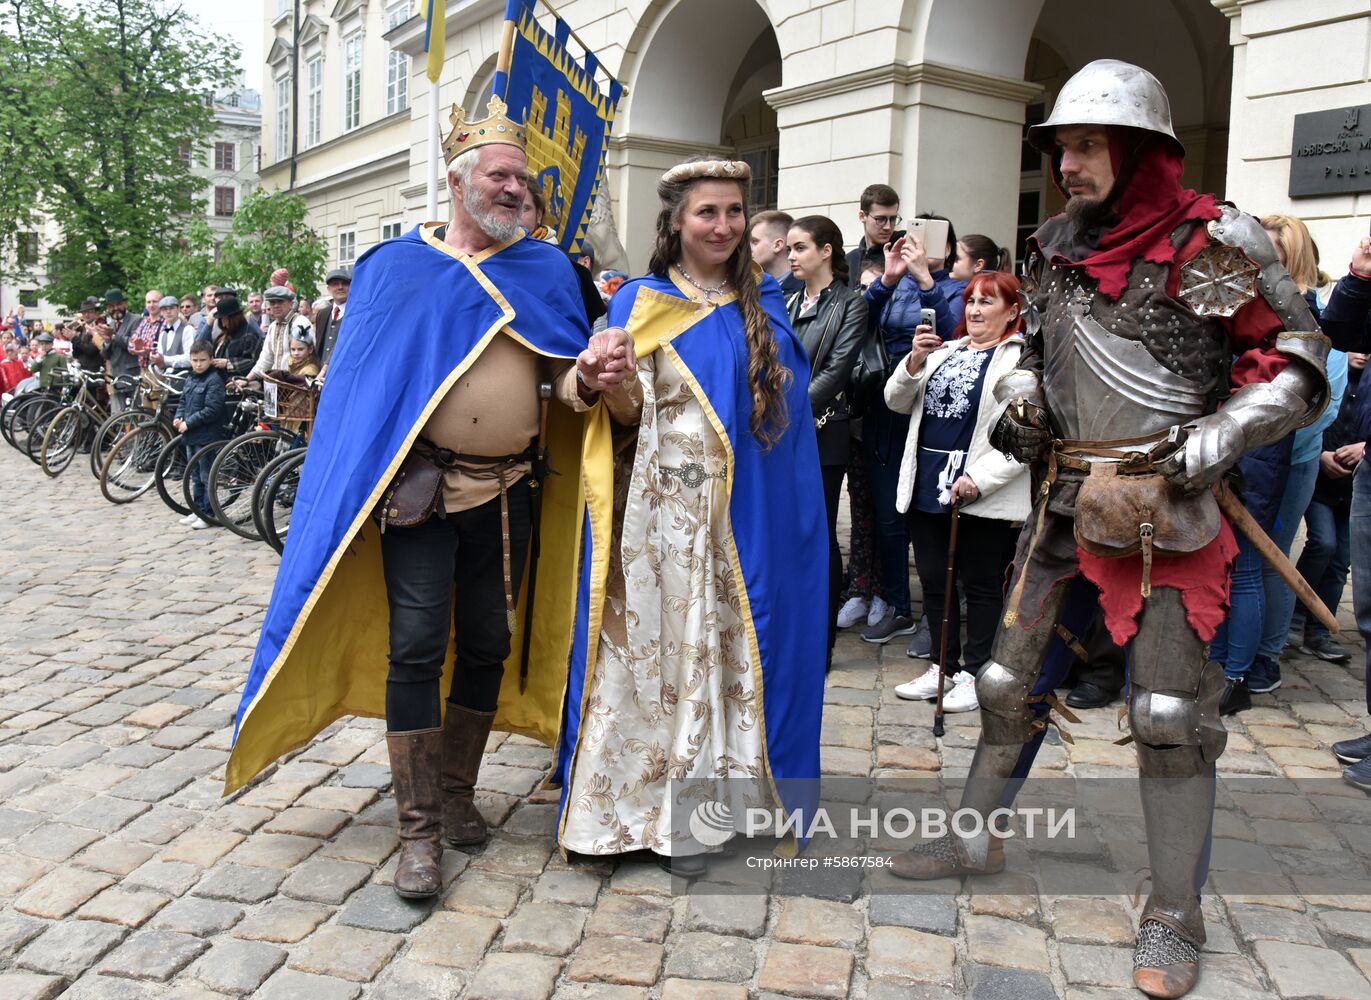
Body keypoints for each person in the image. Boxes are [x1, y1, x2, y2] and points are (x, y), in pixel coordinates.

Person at [889, 61, 1328, 1000]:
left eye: (1086, 145)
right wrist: (1020, 399)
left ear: (1137, 152)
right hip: (1062, 499)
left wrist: (1226, 429)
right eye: (1059, 147)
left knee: (1168, 717)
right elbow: (1034, 357)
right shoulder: (1053, 249)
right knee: (1007, 683)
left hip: (1168, 507)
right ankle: (973, 839)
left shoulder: (1204, 245)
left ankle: (1175, 915)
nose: (1067, 163)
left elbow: (1294, 358)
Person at [226, 96, 609, 903]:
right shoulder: (393, 268)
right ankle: (418, 830)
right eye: (500, 176)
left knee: (487, 643)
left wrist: (590, 379)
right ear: (458, 180)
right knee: (416, 642)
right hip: (421, 493)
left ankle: (460, 794)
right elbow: (360, 394)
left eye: (524, 182)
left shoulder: (546, 269)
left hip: (510, 493)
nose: (515, 191)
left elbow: (558, 376)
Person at [555, 158, 827, 879]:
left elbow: (785, 424)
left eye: (735, 212)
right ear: (675, 220)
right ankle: (613, 814)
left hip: (739, 518)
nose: (724, 226)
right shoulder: (639, 301)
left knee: (724, 653)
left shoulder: (759, 302)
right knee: (648, 655)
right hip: (657, 516)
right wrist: (605, 381)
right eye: (707, 212)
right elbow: (626, 416)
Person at [886, 271, 1031, 712]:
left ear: (1012, 312)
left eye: (988, 302)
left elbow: (1027, 435)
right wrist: (913, 362)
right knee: (933, 579)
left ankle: (976, 671)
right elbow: (895, 399)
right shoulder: (942, 350)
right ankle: (941, 666)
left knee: (982, 583)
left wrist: (981, 479)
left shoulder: (1021, 361)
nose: (974, 310)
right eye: (971, 301)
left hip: (977, 487)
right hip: (929, 479)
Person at [1243, 214, 1343, 692]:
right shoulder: (1254, 301)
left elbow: (1323, 399)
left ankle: (1266, 657)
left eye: (1270, 249)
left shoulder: (1311, 310)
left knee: (1271, 557)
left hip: (1294, 455)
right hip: (1251, 453)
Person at [859, 226, 957, 647]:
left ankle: (940, 621)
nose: (916, 248)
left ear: (948, 249)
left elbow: (955, 332)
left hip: (936, 407)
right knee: (888, 511)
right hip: (888, 399)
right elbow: (858, 321)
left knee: (928, 511)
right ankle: (900, 608)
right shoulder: (893, 288)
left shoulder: (955, 289)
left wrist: (926, 281)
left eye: (929, 242)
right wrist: (890, 277)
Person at [785, 214, 868, 662]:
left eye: (799, 248)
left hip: (820, 429)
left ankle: (821, 639)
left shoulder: (850, 302)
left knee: (819, 534)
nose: (791, 256)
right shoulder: (785, 297)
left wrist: (789, 412)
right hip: (781, 429)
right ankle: (790, 627)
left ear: (826, 251)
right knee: (784, 530)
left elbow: (837, 369)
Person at [1293, 349, 1364, 665]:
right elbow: (1306, 420)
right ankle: (1295, 618)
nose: (1362, 353)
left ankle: (1318, 630)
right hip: (1321, 481)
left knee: (1340, 560)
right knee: (1323, 543)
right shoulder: (1327, 372)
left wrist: (1366, 448)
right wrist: (1320, 454)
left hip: (1354, 488)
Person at [836, 248, 890, 630]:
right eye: (862, 288)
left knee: (886, 515)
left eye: (874, 288)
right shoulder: (849, 326)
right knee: (860, 513)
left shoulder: (890, 331)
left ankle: (883, 593)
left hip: (885, 428)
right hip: (852, 429)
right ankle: (858, 589)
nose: (865, 297)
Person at [173, 341, 227, 530]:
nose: (198, 364)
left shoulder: (214, 380)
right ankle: (197, 509)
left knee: (206, 475)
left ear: (211, 360)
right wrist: (179, 417)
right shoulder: (191, 378)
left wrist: (189, 422)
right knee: (194, 475)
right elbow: (183, 400)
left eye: (202, 360)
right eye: (195, 360)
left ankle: (209, 513)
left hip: (206, 436)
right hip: (191, 435)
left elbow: (212, 410)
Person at [238, 285, 312, 388]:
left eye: (280, 302)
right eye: (272, 303)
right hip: (277, 386)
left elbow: (308, 358)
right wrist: (247, 379)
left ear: (290, 304)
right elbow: (266, 358)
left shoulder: (300, 323)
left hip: (298, 385)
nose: (276, 306)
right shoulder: (273, 326)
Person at [844, 184, 901, 290]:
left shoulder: (904, 253)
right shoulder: (849, 260)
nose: (888, 226)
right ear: (862, 216)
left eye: (892, 219)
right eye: (880, 219)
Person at [97, 288, 141, 411]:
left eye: (118, 304)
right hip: (116, 378)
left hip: (132, 377)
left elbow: (134, 344)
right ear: (107, 308)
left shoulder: (136, 320)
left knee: (135, 418)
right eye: (111, 306)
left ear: (125, 304)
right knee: (118, 419)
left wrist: (114, 336)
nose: (115, 308)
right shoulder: (110, 324)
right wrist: (106, 341)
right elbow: (105, 355)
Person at [210, 296, 261, 383]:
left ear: (233, 318)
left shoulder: (249, 334)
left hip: (241, 385)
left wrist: (228, 363)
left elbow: (256, 363)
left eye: (224, 318)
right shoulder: (223, 336)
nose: (222, 322)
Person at [751, 209, 802, 296]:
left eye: (755, 242)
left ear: (777, 245)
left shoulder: (804, 291)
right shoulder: (750, 287)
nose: (748, 248)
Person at [314, 267, 351, 369]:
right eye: (335, 284)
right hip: (321, 376)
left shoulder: (356, 313)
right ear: (328, 289)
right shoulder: (322, 314)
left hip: (346, 373)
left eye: (344, 283)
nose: (340, 287)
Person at [152, 295, 196, 371]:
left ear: (178, 309)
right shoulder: (163, 334)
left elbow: (191, 358)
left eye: (171, 308)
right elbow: (160, 361)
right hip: (166, 379)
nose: (168, 312)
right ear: (161, 312)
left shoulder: (188, 329)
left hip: (186, 378)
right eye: (165, 309)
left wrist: (165, 359)